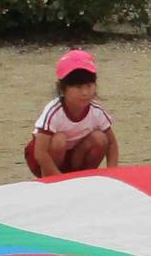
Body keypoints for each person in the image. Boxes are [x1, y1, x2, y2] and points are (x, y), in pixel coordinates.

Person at [27, 49, 118, 177]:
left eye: (89, 86)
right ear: (63, 89)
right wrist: (57, 176)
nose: (85, 92)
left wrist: (112, 172)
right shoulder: (54, 112)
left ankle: (84, 177)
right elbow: (40, 152)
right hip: (46, 158)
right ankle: (50, 179)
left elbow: (112, 143)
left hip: (75, 155)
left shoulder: (96, 111)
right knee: (59, 140)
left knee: (100, 138)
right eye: (78, 87)